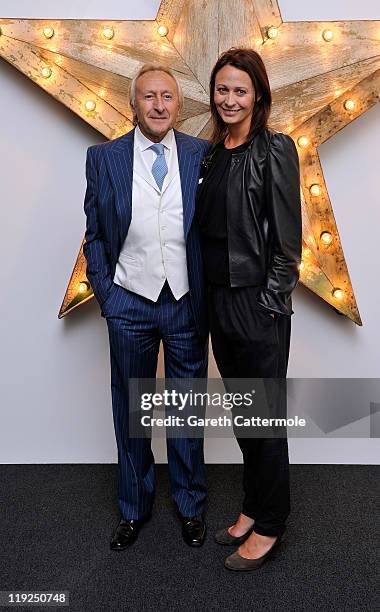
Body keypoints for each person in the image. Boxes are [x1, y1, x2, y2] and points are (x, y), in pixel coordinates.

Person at [83, 64, 210, 550]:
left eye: (167, 97)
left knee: (184, 410)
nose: (159, 105)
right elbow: (95, 233)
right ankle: (133, 508)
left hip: (185, 302)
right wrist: (107, 296)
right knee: (133, 409)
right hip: (129, 301)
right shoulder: (104, 157)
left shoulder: (202, 154)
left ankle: (190, 505)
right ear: (133, 104)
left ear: (179, 105)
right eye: (149, 97)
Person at [195, 48, 302, 570]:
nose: (230, 99)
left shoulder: (275, 150)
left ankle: (273, 524)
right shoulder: (213, 154)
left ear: (257, 94)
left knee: (265, 419)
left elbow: (288, 247)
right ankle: (254, 507)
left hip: (256, 306)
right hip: (218, 301)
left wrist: (268, 306)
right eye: (222, 89)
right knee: (244, 418)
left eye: (240, 90)